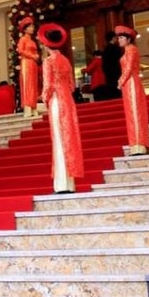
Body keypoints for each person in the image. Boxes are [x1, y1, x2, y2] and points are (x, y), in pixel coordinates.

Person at [38, 23, 84, 194]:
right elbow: (72, 86)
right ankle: (69, 184)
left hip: (57, 101)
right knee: (68, 139)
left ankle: (62, 184)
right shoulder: (65, 60)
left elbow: (48, 85)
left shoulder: (48, 61)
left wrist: (44, 99)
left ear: (46, 44)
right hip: (68, 101)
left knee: (58, 139)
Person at [115, 25, 149, 156]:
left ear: (129, 39)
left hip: (132, 83)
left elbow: (129, 68)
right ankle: (135, 144)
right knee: (131, 113)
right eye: (119, 38)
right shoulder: (127, 50)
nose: (119, 40)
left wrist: (121, 81)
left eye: (122, 38)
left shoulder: (131, 50)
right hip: (128, 84)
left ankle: (139, 144)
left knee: (135, 112)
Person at [16, 16, 41, 117]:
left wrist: (36, 55)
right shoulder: (23, 39)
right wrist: (32, 55)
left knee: (34, 85)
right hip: (26, 63)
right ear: (25, 29)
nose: (32, 28)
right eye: (30, 27)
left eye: (32, 26)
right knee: (27, 85)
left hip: (33, 64)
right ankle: (27, 108)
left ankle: (34, 107)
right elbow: (20, 50)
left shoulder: (33, 41)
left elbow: (35, 52)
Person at [100, 30, 123, 100]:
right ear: (113, 38)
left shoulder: (105, 49)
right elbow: (120, 60)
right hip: (117, 72)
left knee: (112, 92)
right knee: (118, 92)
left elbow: (104, 64)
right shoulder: (116, 48)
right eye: (116, 37)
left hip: (108, 74)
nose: (117, 39)